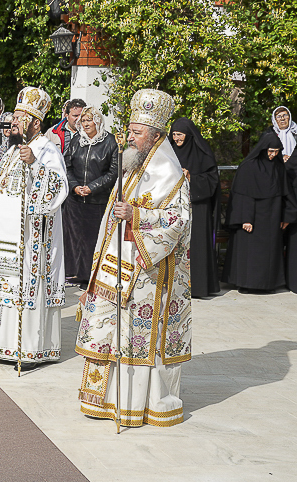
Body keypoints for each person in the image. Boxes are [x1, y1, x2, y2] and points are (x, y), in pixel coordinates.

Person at [76, 89, 192, 427]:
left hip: (146, 271)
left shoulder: (170, 173)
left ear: (155, 135)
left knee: (135, 337)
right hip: (114, 266)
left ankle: (137, 406)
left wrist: (138, 217)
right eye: (128, 130)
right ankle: (104, 401)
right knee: (108, 331)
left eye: (136, 132)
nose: (129, 136)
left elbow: (179, 221)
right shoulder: (132, 163)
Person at [0, 87, 67, 369]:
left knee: (25, 287)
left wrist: (36, 166)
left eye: (19, 117)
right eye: (13, 117)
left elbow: (59, 188)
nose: (13, 122)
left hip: (30, 242)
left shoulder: (46, 150)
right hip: (3, 240)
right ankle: (1, 345)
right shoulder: (14, 150)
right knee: (4, 288)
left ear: (35, 123)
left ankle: (27, 350)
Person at [222, 132, 288, 292]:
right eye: (270, 151)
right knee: (249, 253)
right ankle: (247, 284)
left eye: (276, 151)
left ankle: (267, 285)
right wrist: (245, 218)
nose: (273, 155)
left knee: (269, 253)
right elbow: (242, 195)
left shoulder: (278, 167)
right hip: (252, 218)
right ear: (263, 149)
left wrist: (285, 216)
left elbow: (286, 194)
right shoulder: (249, 166)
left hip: (271, 218)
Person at [63, 106, 118, 284]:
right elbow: (67, 166)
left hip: (98, 200)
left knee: (94, 239)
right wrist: (75, 187)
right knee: (75, 239)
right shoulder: (76, 140)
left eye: (89, 120)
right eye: (83, 120)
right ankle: (77, 274)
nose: (86, 124)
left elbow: (113, 172)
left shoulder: (110, 141)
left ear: (98, 121)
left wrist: (92, 187)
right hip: (76, 200)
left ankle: (93, 276)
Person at [170, 117, 220, 297]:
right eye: (174, 134)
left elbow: (213, 179)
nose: (176, 139)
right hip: (174, 207)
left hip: (197, 207)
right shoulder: (169, 152)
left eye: (180, 134)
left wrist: (192, 178)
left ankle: (198, 287)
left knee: (197, 246)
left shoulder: (202, 153)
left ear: (190, 135)